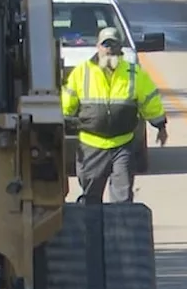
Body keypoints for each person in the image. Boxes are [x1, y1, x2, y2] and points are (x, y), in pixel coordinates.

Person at [61, 27, 168, 204]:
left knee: (123, 199)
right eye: (105, 45)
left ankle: (120, 231)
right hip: (91, 146)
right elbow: (67, 102)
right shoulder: (82, 72)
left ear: (120, 48)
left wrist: (160, 125)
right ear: (98, 47)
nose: (109, 49)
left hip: (122, 145)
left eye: (113, 45)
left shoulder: (134, 74)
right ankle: (91, 231)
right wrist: (60, 122)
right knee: (90, 200)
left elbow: (150, 100)